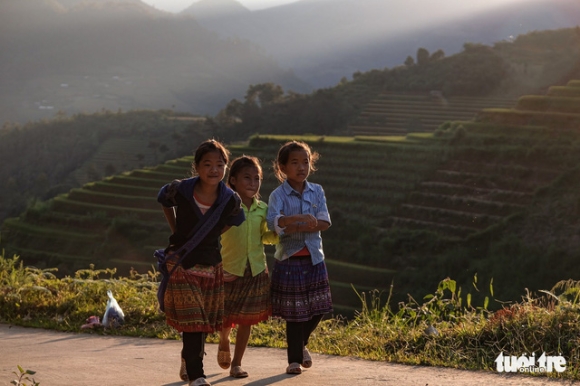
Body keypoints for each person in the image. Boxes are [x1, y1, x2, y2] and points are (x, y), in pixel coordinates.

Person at [157, 139, 245, 386]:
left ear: (226, 167)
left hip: (210, 263)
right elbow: (164, 200)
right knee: (193, 319)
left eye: (219, 164)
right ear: (196, 167)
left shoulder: (229, 199)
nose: (214, 170)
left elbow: (236, 220)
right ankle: (197, 375)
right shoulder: (182, 190)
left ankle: (189, 359)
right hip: (183, 263)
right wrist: (176, 231)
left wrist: (213, 231)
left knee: (201, 322)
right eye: (207, 164)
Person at [266, 140, 333, 375]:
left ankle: (301, 343)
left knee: (319, 307)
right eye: (294, 162)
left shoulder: (317, 190)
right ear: (282, 167)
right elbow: (274, 221)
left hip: (315, 257)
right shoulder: (278, 194)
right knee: (295, 313)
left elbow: (324, 221)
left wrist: (297, 223)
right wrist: (297, 221)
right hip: (290, 258)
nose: (301, 167)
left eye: (305, 162)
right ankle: (294, 359)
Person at [217, 155, 278, 378]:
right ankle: (224, 339)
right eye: (247, 178)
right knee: (224, 316)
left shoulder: (263, 208)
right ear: (232, 180)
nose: (253, 183)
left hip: (256, 269)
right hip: (229, 269)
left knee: (247, 319)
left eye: (257, 178)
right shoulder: (224, 207)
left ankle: (237, 363)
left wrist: (279, 233)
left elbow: (265, 237)